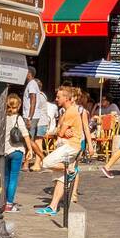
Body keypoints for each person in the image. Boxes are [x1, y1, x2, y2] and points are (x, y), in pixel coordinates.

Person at [36, 87, 83, 216]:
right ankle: (53, 206)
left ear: (66, 98)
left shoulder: (71, 112)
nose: (56, 99)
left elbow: (61, 132)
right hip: (65, 145)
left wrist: (61, 131)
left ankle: (69, 170)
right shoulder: (65, 111)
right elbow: (59, 131)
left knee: (45, 163)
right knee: (60, 179)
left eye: (58, 97)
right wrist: (60, 131)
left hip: (70, 146)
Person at [3, 94, 30, 212]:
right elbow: (25, 134)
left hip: (4, 151)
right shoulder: (18, 118)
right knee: (13, 178)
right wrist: (30, 149)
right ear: (18, 106)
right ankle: (9, 204)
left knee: (5, 177)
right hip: (17, 150)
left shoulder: (2, 117)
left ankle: (3, 202)